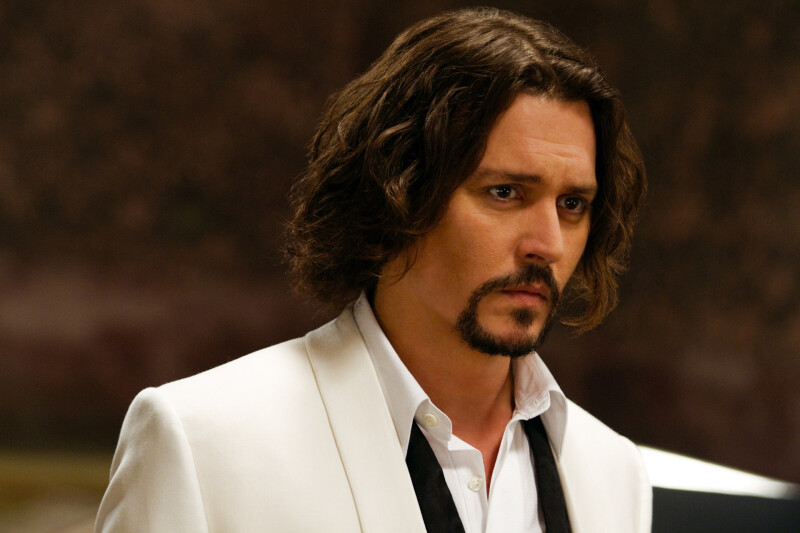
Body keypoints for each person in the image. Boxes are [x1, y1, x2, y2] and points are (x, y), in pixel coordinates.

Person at [96, 7, 650, 533]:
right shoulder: (202, 441)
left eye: (572, 204)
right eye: (504, 192)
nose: (547, 244)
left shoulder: (612, 472)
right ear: (397, 192)